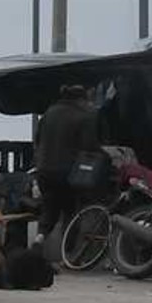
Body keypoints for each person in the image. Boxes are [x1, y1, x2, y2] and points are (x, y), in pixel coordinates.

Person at [34, 84, 102, 243]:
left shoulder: (49, 113)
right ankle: (68, 252)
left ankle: (40, 238)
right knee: (70, 211)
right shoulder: (84, 116)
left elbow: (38, 140)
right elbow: (89, 146)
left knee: (49, 208)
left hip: (44, 170)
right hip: (67, 172)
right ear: (81, 99)